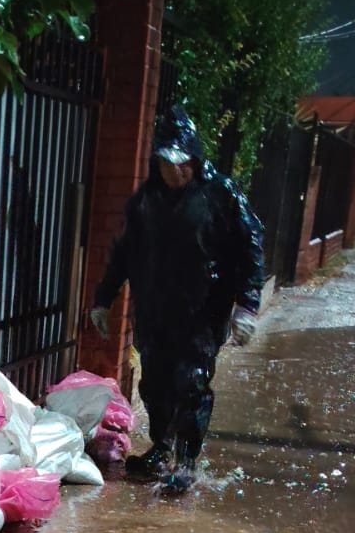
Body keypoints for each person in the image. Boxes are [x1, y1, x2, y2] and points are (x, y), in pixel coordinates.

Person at [90, 105, 264, 495]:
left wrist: (247, 304)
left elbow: (251, 246)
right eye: (168, 163)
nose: (176, 170)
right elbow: (124, 251)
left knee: (191, 383)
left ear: (194, 159)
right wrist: (104, 298)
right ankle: (162, 447)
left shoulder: (221, 194)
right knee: (154, 384)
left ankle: (185, 462)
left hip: (202, 311)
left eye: (182, 162)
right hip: (155, 310)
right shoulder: (147, 201)